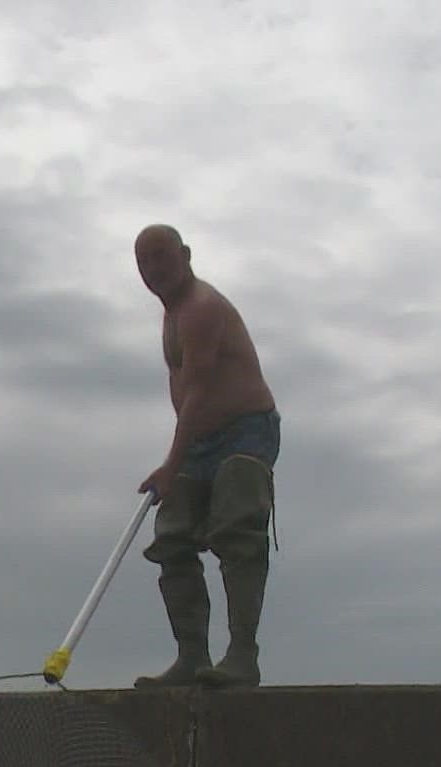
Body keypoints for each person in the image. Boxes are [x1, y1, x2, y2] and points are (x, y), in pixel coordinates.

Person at [132, 224, 280, 689]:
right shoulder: (170, 314)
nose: (154, 269)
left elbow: (195, 393)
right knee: (173, 536)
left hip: (245, 431)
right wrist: (181, 459)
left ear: (187, 255)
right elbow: (183, 393)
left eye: (163, 257)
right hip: (198, 440)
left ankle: (241, 656)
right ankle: (191, 655)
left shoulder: (201, 309)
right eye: (145, 262)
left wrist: (171, 464)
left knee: (236, 531)